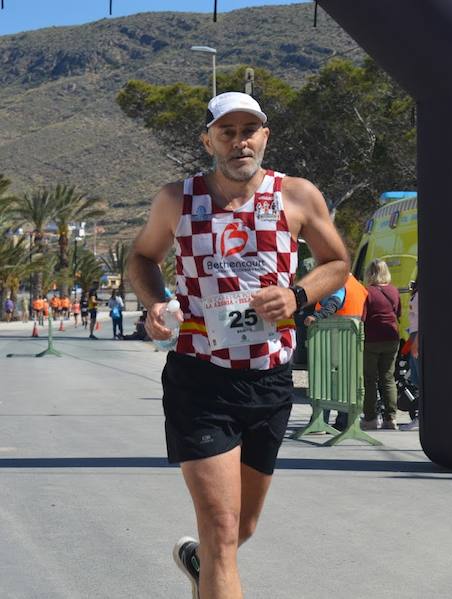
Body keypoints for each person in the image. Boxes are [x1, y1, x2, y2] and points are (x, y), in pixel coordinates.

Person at [127, 91, 349, 599]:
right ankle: (213, 564)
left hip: (269, 380)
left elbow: (337, 263)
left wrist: (296, 295)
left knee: (241, 529)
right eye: (226, 131)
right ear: (208, 139)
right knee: (223, 530)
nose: (239, 140)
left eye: (249, 129)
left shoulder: (296, 195)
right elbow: (143, 257)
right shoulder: (177, 199)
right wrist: (156, 303)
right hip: (199, 378)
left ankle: (203, 568)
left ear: (265, 136)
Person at [303, 273, 367, 430]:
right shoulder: (358, 286)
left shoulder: (338, 283)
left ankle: (320, 421)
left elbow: (334, 303)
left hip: (333, 336)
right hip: (352, 339)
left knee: (325, 379)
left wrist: (317, 317)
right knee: (348, 381)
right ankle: (345, 421)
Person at [360, 259, 402, 430]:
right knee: (388, 378)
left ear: (370, 272)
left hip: (372, 339)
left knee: (370, 379)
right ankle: (390, 418)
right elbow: (398, 312)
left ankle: (370, 418)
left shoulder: (367, 291)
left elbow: (362, 316)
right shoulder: (393, 290)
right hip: (392, 336)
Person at [399, 279, 420, 431]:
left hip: (417, 338)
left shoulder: (425, 292)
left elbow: (423, 319)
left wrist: (415, 342)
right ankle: (421, 417)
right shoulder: (420, 289)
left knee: (421, 381)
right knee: (417, 380)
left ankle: (422, 417)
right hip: (414, 336)